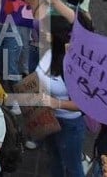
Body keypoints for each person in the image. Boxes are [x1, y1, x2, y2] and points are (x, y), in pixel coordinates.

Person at [37, 16, 87, 177]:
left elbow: (83, 103)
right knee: (54, 158)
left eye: (43, 31)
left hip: (69, 124)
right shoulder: (45, 52)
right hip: (48, 119)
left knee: (73, 166)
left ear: (51, 36)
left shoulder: (72, 64)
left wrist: (56, 103)